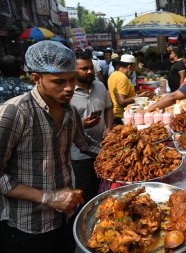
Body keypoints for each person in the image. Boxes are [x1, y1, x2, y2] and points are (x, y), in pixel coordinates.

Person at [0, 41, 99, 253]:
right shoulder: (15, 112)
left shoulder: (69, 110)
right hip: (28, 226)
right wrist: (47, 197)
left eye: (72, 79)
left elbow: (86, 144)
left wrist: (120, 155)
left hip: (66, 216)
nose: (69, 88)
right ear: (36, 78)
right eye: (58, 81)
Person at [71, 49, 114, 204]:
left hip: (102, 148)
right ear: (72, 69)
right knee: (87, 192)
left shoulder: (100, 86)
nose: (89, 71)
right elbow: (62, 123)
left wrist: (108, 128)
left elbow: (109, 108)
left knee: (104, 188)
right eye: (84, 69)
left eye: (91, 67)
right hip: (80, 155)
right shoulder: (67, 92)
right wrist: (81, 123)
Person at [107, 54, 149, 124]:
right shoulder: (122, 78)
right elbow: (121, 102)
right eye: (134, 68)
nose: (134, 70)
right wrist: (140, 96)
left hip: (117, 114)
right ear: (129, 67)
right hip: (123, 116)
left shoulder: (113, 75)